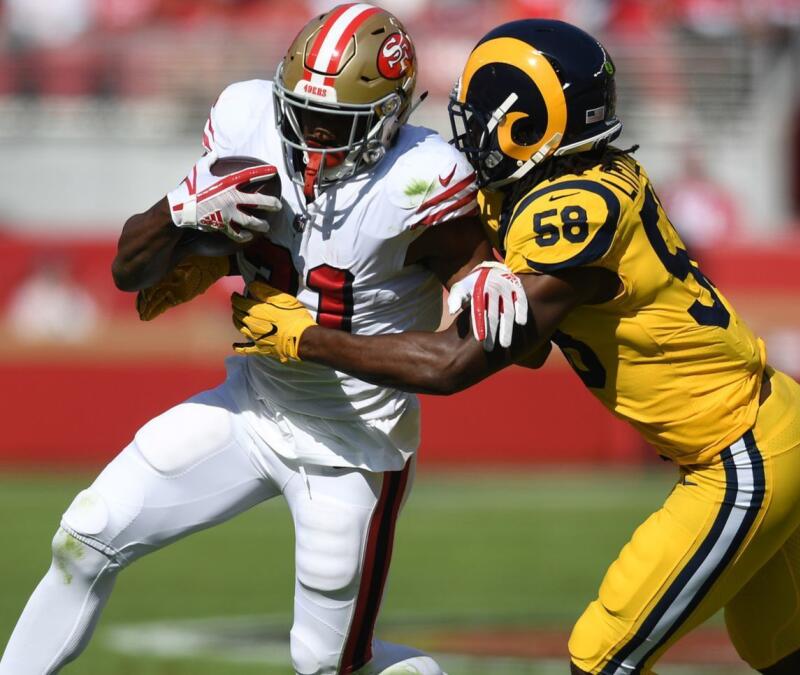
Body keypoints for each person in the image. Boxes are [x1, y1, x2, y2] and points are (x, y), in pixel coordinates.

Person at [231, 19, 800, 675]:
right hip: (768, 424)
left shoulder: (569, 210)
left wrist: (308, 336)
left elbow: (462, 362)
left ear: (522, 124)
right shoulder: (575, 189)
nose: (467, 132)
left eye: (481, 116)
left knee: (600, 654)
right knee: (790, 654)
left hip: (739, 455)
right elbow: (530, 341)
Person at [0, 5, 527, 675]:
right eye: (299, 113)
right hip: (251, 406)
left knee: (329, 664)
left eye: (334, 126)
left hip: (353, 445)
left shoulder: (422, 178)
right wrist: (181, 214)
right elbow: (128, 270)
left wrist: (482, 278)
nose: (309, 136)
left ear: (389, 118)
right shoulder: (246, 117)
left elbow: (459, 334)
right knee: (87, 534)